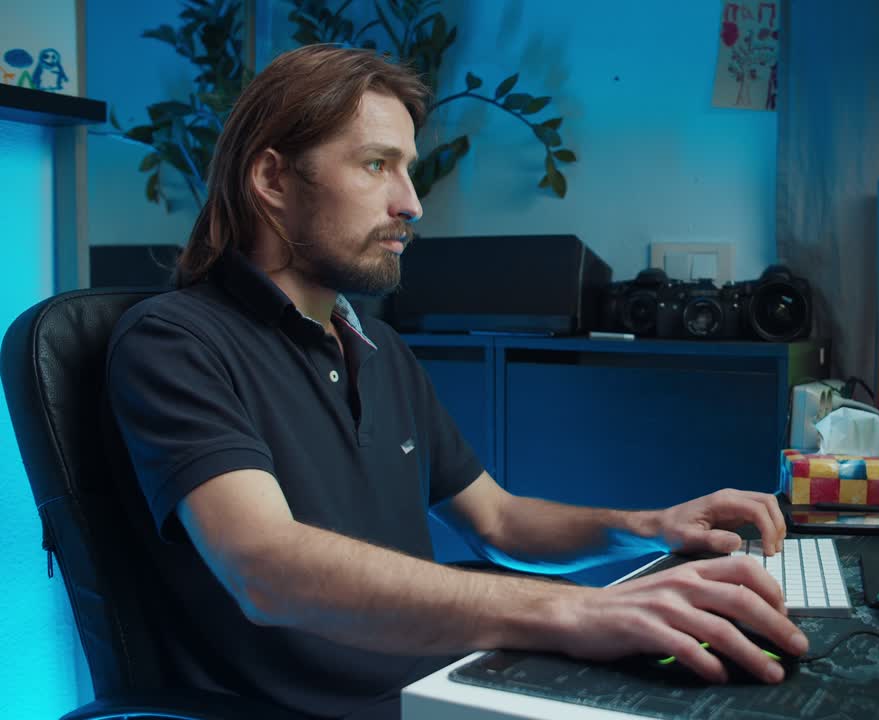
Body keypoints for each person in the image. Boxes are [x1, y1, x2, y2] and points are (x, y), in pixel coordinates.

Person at [104, 44, 806, 720]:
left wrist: (650, 528)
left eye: (408, 170)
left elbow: (498, 521)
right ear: (273, 180)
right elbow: (267, 566)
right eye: (377, 165)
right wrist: (575, 610)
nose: (411, 203)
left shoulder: (377, 346)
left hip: (452, 679)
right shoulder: (175, 342)